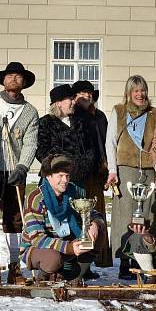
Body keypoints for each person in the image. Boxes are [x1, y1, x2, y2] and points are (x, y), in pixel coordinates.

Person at [0, 62, 39, 284]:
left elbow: (30, 143)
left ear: (24, 82)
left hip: (14, 172)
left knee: (14, 220)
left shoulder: (30, 111)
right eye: (9, 76)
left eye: (18, 77)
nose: (13, 79)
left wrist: (22, 167)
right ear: (2, 80)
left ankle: (14, 267)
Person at [105, 75, 156, 280]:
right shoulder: (119, 112)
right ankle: (125, 260)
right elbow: (110, 142)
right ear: (128, 93)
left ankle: (142, 256)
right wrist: (112, 170)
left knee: (146, 213)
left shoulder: (155, 114)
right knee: (124, 215)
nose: (140, 94)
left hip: (147, 170)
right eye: (135, 91)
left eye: (143, 90)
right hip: (125, 169)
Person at [21, 154, 107, 283]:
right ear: (48, 176)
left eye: (67, 176)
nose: (65, 180)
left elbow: (93, 213)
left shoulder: (73, 192)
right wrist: (69, 247)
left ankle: (77, 276)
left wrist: (94, 223)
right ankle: (44, 277)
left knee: (98, 231)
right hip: (38, 248)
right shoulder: (36, 198)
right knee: (53, 259)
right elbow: (37, 238)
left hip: (69, 243)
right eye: (60, 176)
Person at [72, 80, 108, 219]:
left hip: (98, 170)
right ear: (75, 96)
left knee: (97, 209)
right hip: (78, 171)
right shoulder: (72, 115)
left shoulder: (99, 116)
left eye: (89, 93)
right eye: (82, 93)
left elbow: (105, 141)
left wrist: (106, 164)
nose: (87, 96)